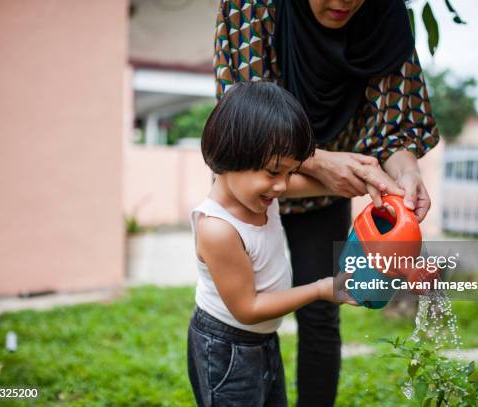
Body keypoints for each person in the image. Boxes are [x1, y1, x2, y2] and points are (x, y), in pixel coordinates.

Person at [213, 1, 441, 405]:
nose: (344, 2)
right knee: (238, 321)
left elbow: (396, 129)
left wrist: (407, 172)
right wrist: (318, 162)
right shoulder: (251, 6)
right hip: (255, 175)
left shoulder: (386, 19)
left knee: (320, 320)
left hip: (328, 190)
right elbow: (242, 118)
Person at [187, 81, 359, 407]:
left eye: (291, 173)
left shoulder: (259, 193)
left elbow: (319, 188)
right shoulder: (219, 229)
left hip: (262, 340)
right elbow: (248, 309)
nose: (282, 186)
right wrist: (321, 289)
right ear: (230, 154)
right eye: (274, 172)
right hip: (227, 348)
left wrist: (355, 184)